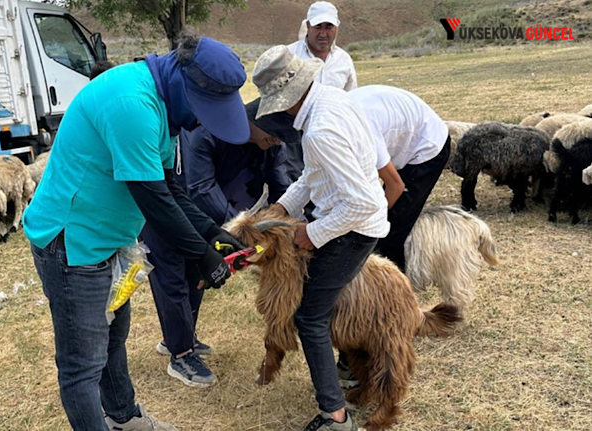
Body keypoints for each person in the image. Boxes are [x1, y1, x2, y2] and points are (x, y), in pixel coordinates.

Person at [23, 35, 248, 431]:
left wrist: (214, 233)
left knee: (112, 338)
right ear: (182, 81)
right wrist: (202, 255)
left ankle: (125, 418)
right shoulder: (132, 104)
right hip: (73, 242)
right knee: (82, 365)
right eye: (203, 111)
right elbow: (152, 197)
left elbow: (169, 185)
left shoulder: (162, 105)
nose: (200, 123)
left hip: (109, 241)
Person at [252, 45, 389, 431]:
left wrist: (311, 233)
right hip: (352, 221)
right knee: (317, 309)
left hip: (353, 230)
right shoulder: (330, 101)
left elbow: (358, 204)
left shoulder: (321, 130)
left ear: (284, 99)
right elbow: (314, 178)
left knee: (310, 317)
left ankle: (334, 415)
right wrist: (282, 208)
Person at [141, 99, 296, 387]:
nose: (276, 140)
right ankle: (181, 354)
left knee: (197, 275)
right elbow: (200, 188)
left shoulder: (274, 145)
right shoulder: (208, 133)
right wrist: (235, 233)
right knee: (171, 276)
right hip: (170, 205)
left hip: (208, 221)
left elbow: (282, 191)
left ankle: (182, 336)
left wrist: (286, 225)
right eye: (272, 133)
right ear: (252, 120)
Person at [348, 85, 451, 270]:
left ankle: (394, 287)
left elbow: (395, 185)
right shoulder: (334, 118)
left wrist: (374, 217)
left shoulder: (362, 131)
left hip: (428, 147)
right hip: (403, 133)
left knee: (392, 225)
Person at [284, 2, 358, 182]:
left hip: (331, 133)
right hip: (295, 133)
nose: (323, 33)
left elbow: (351, 98)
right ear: (308, 26)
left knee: (328, 180)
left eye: (329, 27)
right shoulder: (289, 55)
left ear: (336, 28)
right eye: (318, 26)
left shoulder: (343, 60)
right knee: (296, 182)